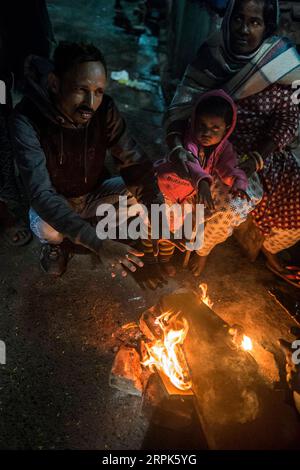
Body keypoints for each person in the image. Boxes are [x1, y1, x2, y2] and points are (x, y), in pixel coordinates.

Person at [164, 0, 300, 286]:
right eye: (238, 19)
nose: (244, 29)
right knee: (224, 202)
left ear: (268, 26)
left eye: (255, 22)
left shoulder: (282, 63)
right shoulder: (211, 56)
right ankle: (202, 247)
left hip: (261, 154)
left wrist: (257, 158)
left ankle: (267, 247)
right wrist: (182, 151)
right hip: (213, 151)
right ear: (227, 20)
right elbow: (182, 109)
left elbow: (288, 120)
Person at [10, 41, 161, 277]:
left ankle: (91, 231)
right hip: (54, 199)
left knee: (144, 191)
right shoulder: (26, 119)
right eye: (81, 89)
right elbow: (41, 194)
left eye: (98, 92)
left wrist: (156, 210)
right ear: (54, 84)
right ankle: (56, 246)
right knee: (47, 228)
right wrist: (99, 243)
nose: (90, 104)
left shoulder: (105, 110)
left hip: (92, 192)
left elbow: (134, 162)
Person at [142, 90, 249, 276]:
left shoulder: (225, 149)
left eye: (215, 127)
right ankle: (149, 259)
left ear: (227, 127)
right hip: (167, 187)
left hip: (185, 197)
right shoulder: (189, 140)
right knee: (153, 226)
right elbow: (190, 161)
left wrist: (238, 183)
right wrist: (203, 183)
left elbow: (229, 169)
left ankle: (164, 259)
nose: (207, 132)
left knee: (173, 230)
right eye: (202, 125)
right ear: (193, 121)